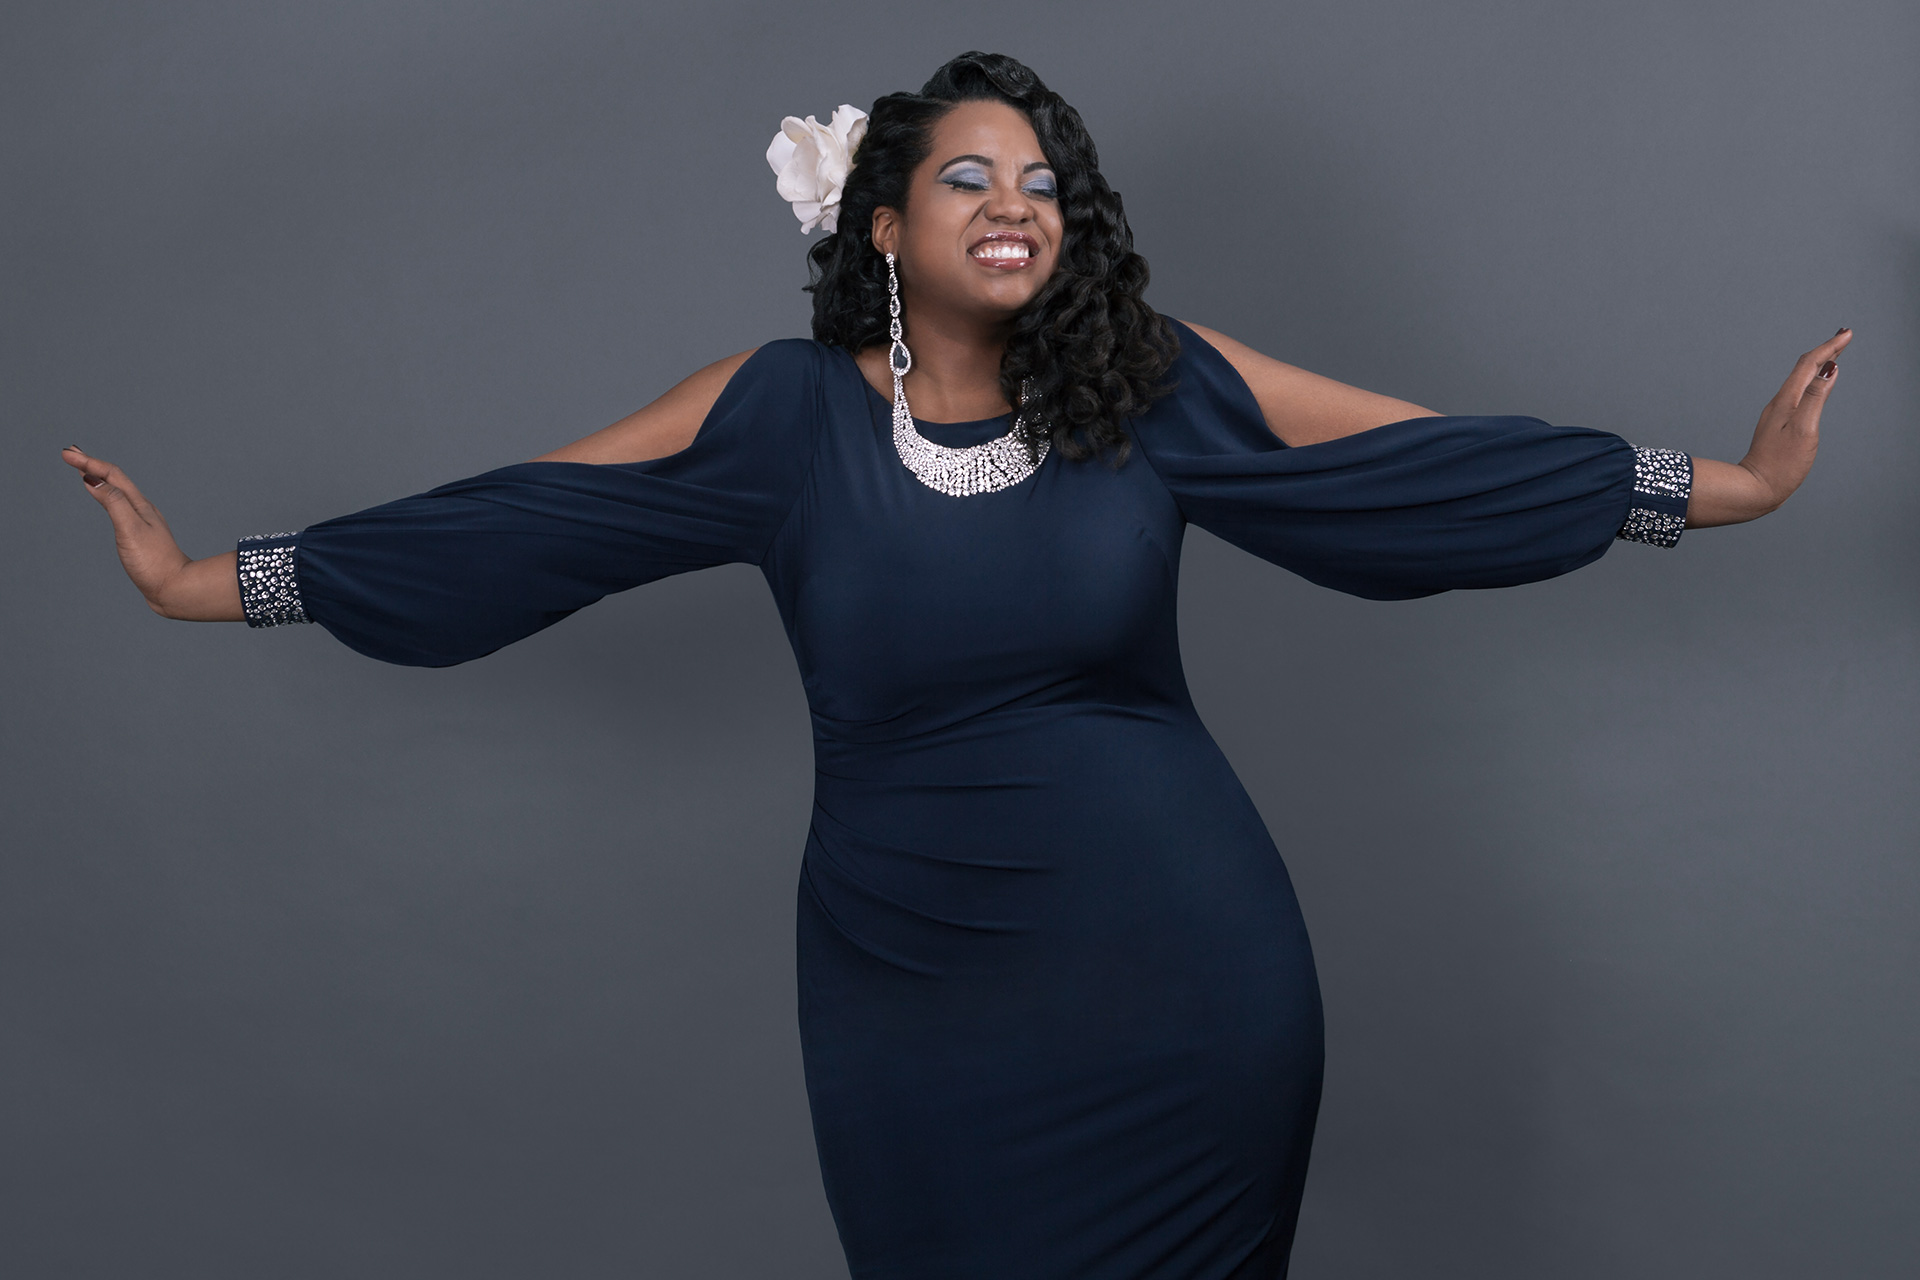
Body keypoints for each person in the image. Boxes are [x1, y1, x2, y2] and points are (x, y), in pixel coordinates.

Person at [62, 50, 1847, 1280]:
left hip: (1188, 981)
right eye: (969, 178)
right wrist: (213, 582)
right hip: (914, 999)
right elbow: (522, 524)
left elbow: (1425, 464)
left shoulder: (1145, 385)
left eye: (1043, 183)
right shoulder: (779, 418)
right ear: (882, 227)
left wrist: (1726, 485)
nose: (1017, 205)